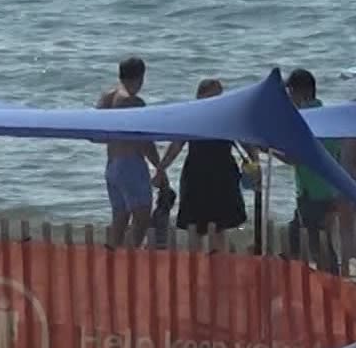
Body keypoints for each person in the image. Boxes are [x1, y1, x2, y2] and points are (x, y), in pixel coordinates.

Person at [159, 77, 250, 249]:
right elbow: (177, 145)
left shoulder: (227, 116)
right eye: (212, 96)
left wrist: (255, 161)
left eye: (219, 96)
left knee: (220, 226)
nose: (216, 101)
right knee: (195, 226)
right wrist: (161, 168)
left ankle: (218, 260)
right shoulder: (192, 116)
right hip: (197, 174)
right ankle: (197, 262)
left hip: (222, 175)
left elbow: (245, 140)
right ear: (200, 96)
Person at [95, 56, 169, 249]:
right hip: (130, 164)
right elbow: (144, 141)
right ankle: (129, 257)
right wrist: (159, 167)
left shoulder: (107, 98)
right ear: (140, 77)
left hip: (112, 165)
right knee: (142, 217)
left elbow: (96, 135)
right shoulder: (133, 102)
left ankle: (112, 258)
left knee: (120, 218)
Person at [283, 68, 341, 273]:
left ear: (302, 92)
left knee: (310, 241)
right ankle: (330, 278)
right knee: (318, 240)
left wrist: (268, 150)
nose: (290, 98)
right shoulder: (327, 117)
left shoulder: (304, 120)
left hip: (312, 193)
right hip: (329, 191)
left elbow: (295, 158)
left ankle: (330, 280)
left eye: (291, 93)